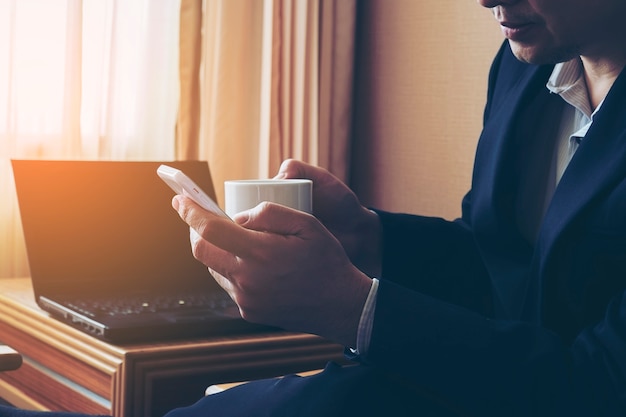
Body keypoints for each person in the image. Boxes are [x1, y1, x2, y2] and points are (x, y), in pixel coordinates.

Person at [2, 0, 626, 415]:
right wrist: (369, 236)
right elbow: (502, 265)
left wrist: (350, 306)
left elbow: (601, 386)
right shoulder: (524, 66)